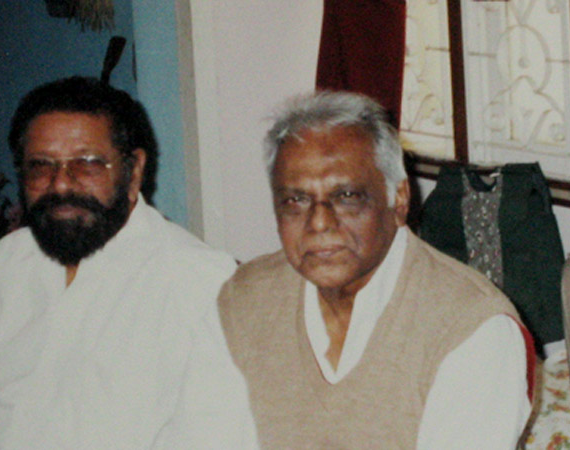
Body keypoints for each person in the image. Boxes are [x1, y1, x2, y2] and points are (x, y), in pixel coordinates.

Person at [0, 76, 257, 449]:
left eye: (87, 163)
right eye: (40, 166)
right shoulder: (10, 263)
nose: (61, 184)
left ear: (134, 170)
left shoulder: (204, 284)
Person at [217, 90, 535, 448]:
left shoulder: (471, 328)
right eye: (296, 200)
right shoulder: (243, 299)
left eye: (346, 196)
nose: (319, 222)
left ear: (398, 199)